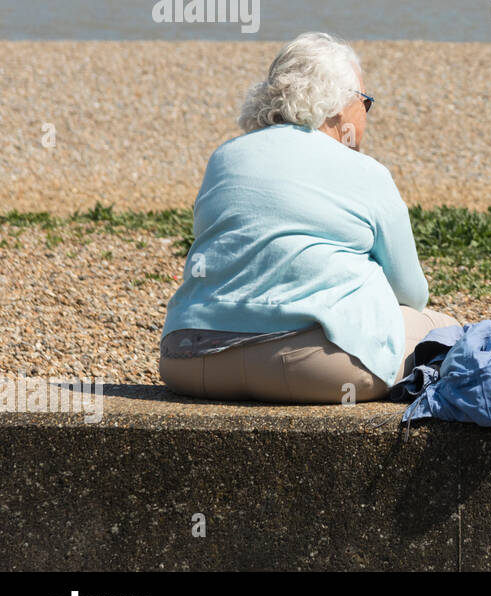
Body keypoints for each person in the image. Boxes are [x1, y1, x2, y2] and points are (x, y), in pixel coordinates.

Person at [159, 32, 458, 403]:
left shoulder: (225, 157)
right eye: (365, 103)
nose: (366, 115)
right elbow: (412, 293)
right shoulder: (365, 171)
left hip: (190, 361)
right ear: (338, 105)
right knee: (445, 331)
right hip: (313, 368)